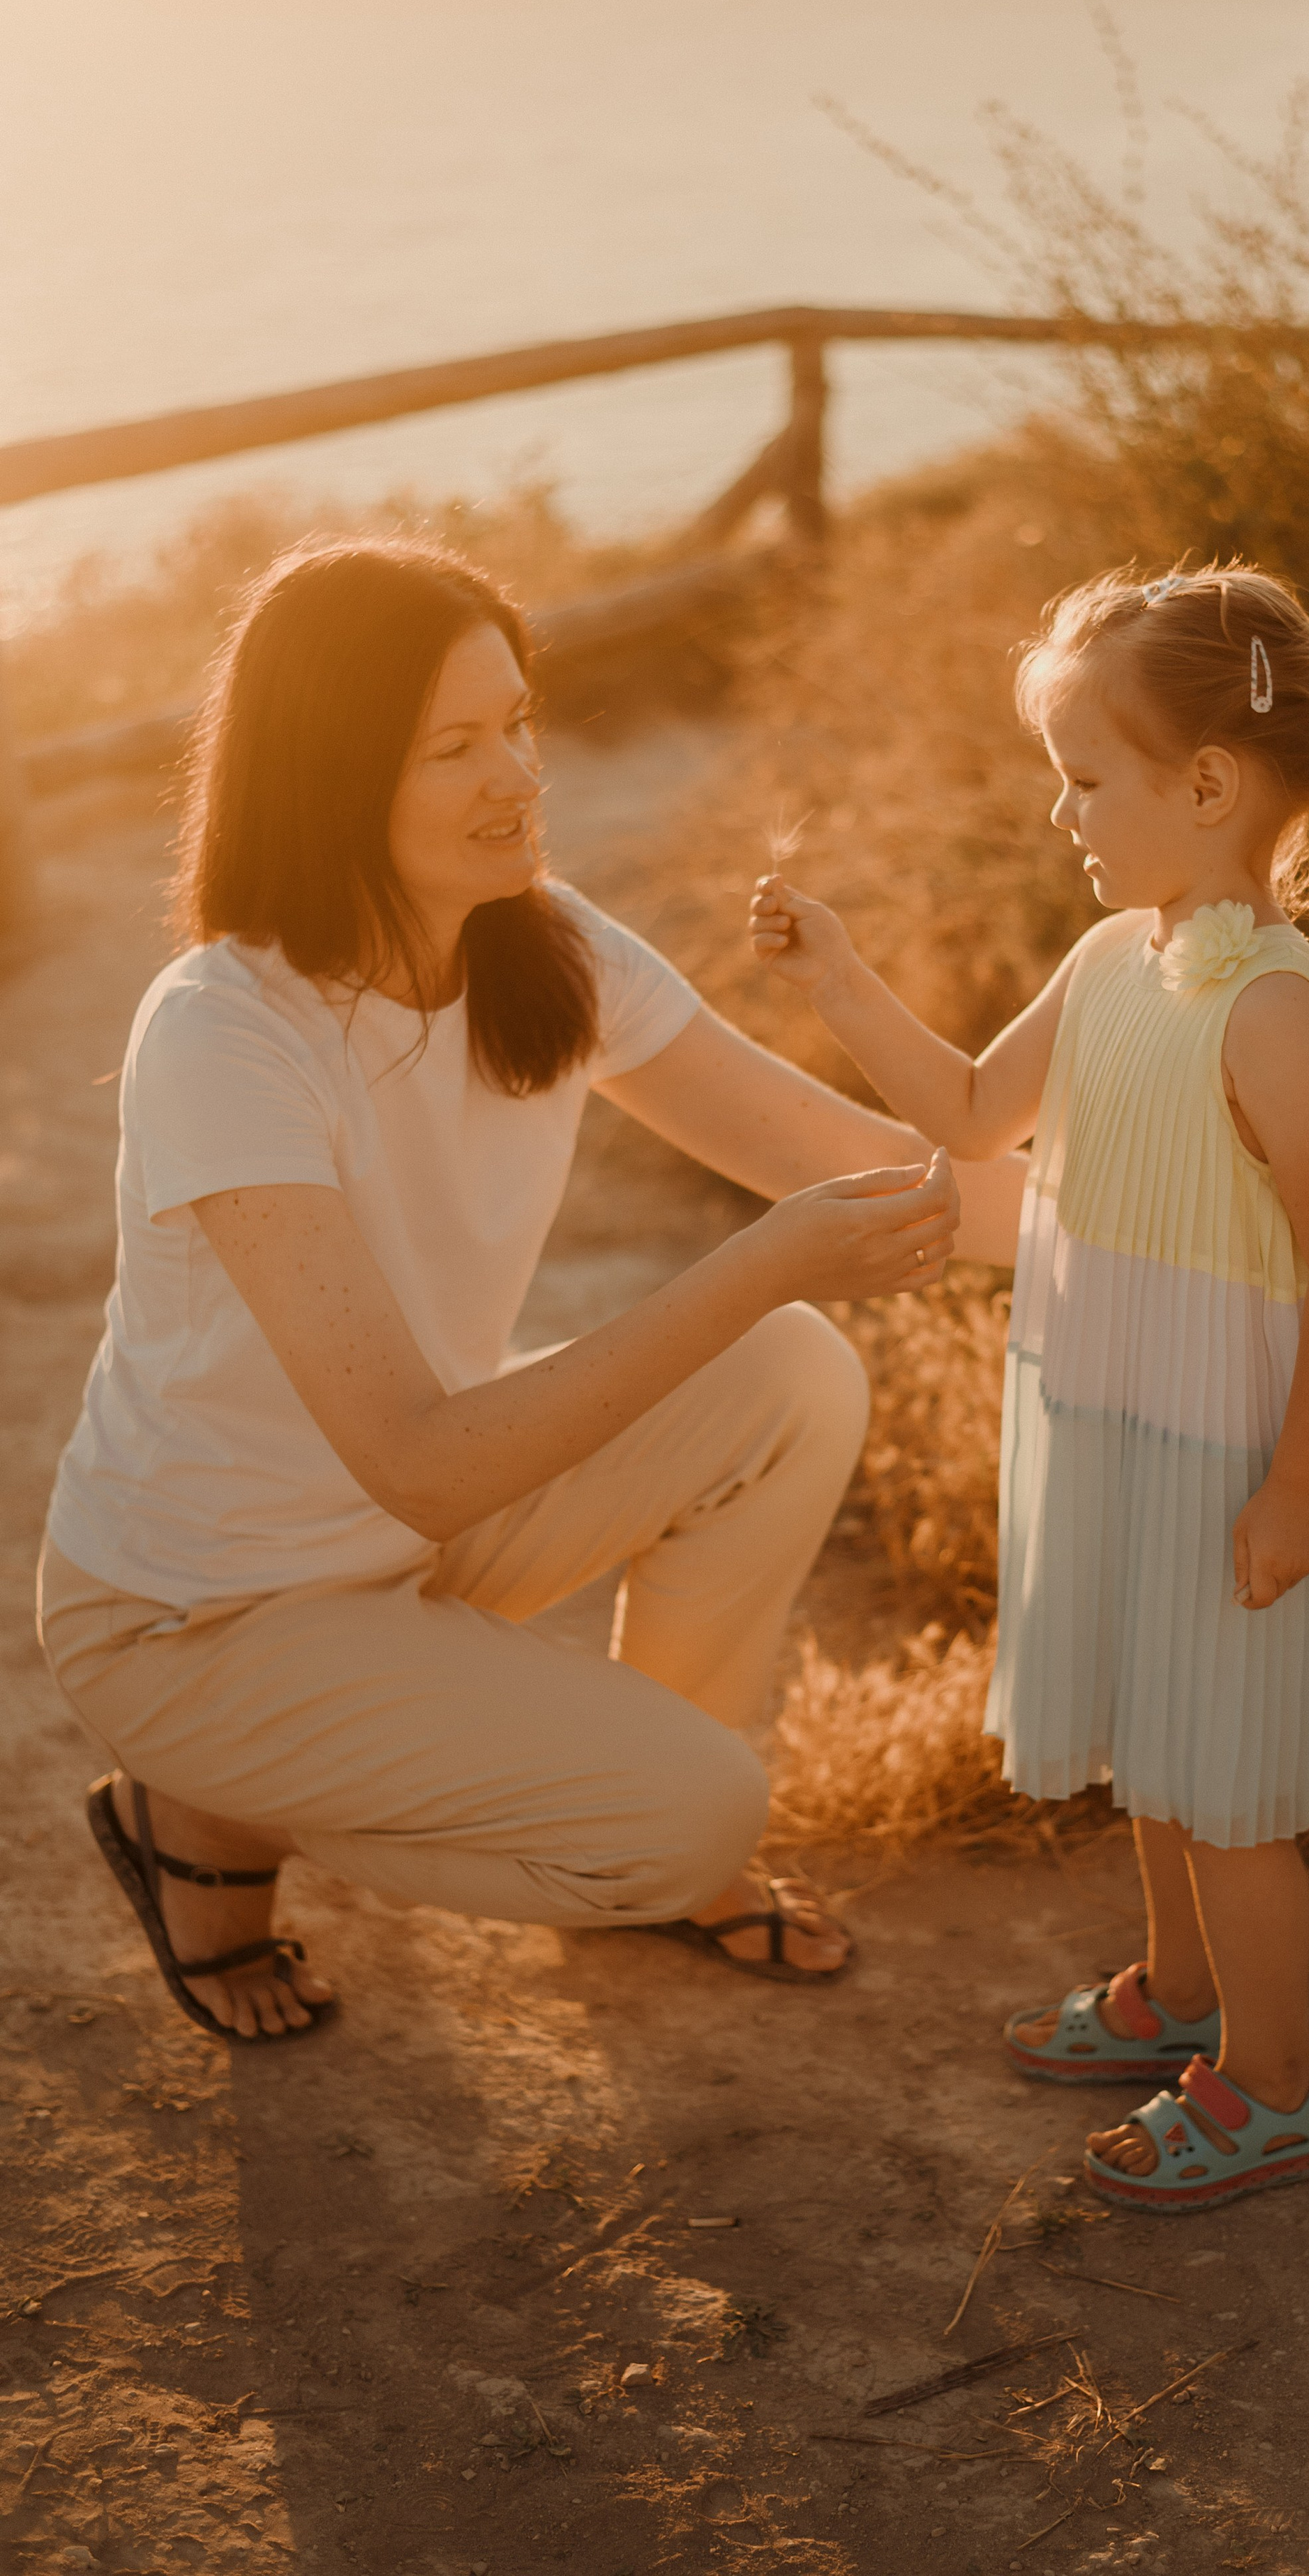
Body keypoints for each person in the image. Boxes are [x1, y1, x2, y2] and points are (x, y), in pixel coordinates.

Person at [37, 536, 1026, 2045]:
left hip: (395, 1552)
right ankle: (214, 1809)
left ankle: (641, 1825)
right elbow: (423, 1463)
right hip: (200, 1616)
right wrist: (758, 1257)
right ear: (328, 776)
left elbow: (896, 1177)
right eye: (452, 748)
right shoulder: (224, 1032)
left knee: (792, 1368)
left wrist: (1192, 1223)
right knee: (695, 1815)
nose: (515, 776)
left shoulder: (548, 949)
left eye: (517, 725)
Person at [750, 561, 1309, 2214]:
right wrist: (839, 976)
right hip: (1103, 1416)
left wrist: (1294, 1489)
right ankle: (1183, 1988)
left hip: (1222, 1453)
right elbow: (961, 1107)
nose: (1061, 811)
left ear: (1206, 785)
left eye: (1087, 777)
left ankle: (1274, 2080)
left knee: (1223, 1789)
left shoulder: (1271, 1009)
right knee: (1157, 1744)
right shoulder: (1104, 965)